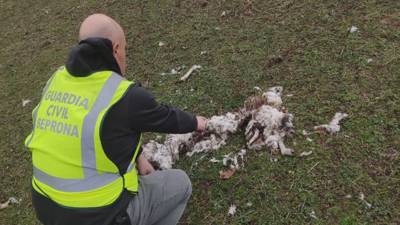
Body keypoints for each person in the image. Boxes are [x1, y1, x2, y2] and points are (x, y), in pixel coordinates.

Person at [25, 14, 206, 225]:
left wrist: (138, 157)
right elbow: (165, 117)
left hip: (48, 210)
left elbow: (93, 133)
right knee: (181, 183)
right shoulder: (122, 94)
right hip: (98, 217)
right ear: (116, 49)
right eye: (126, 49)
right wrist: (196, 122)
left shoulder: (56, 80)